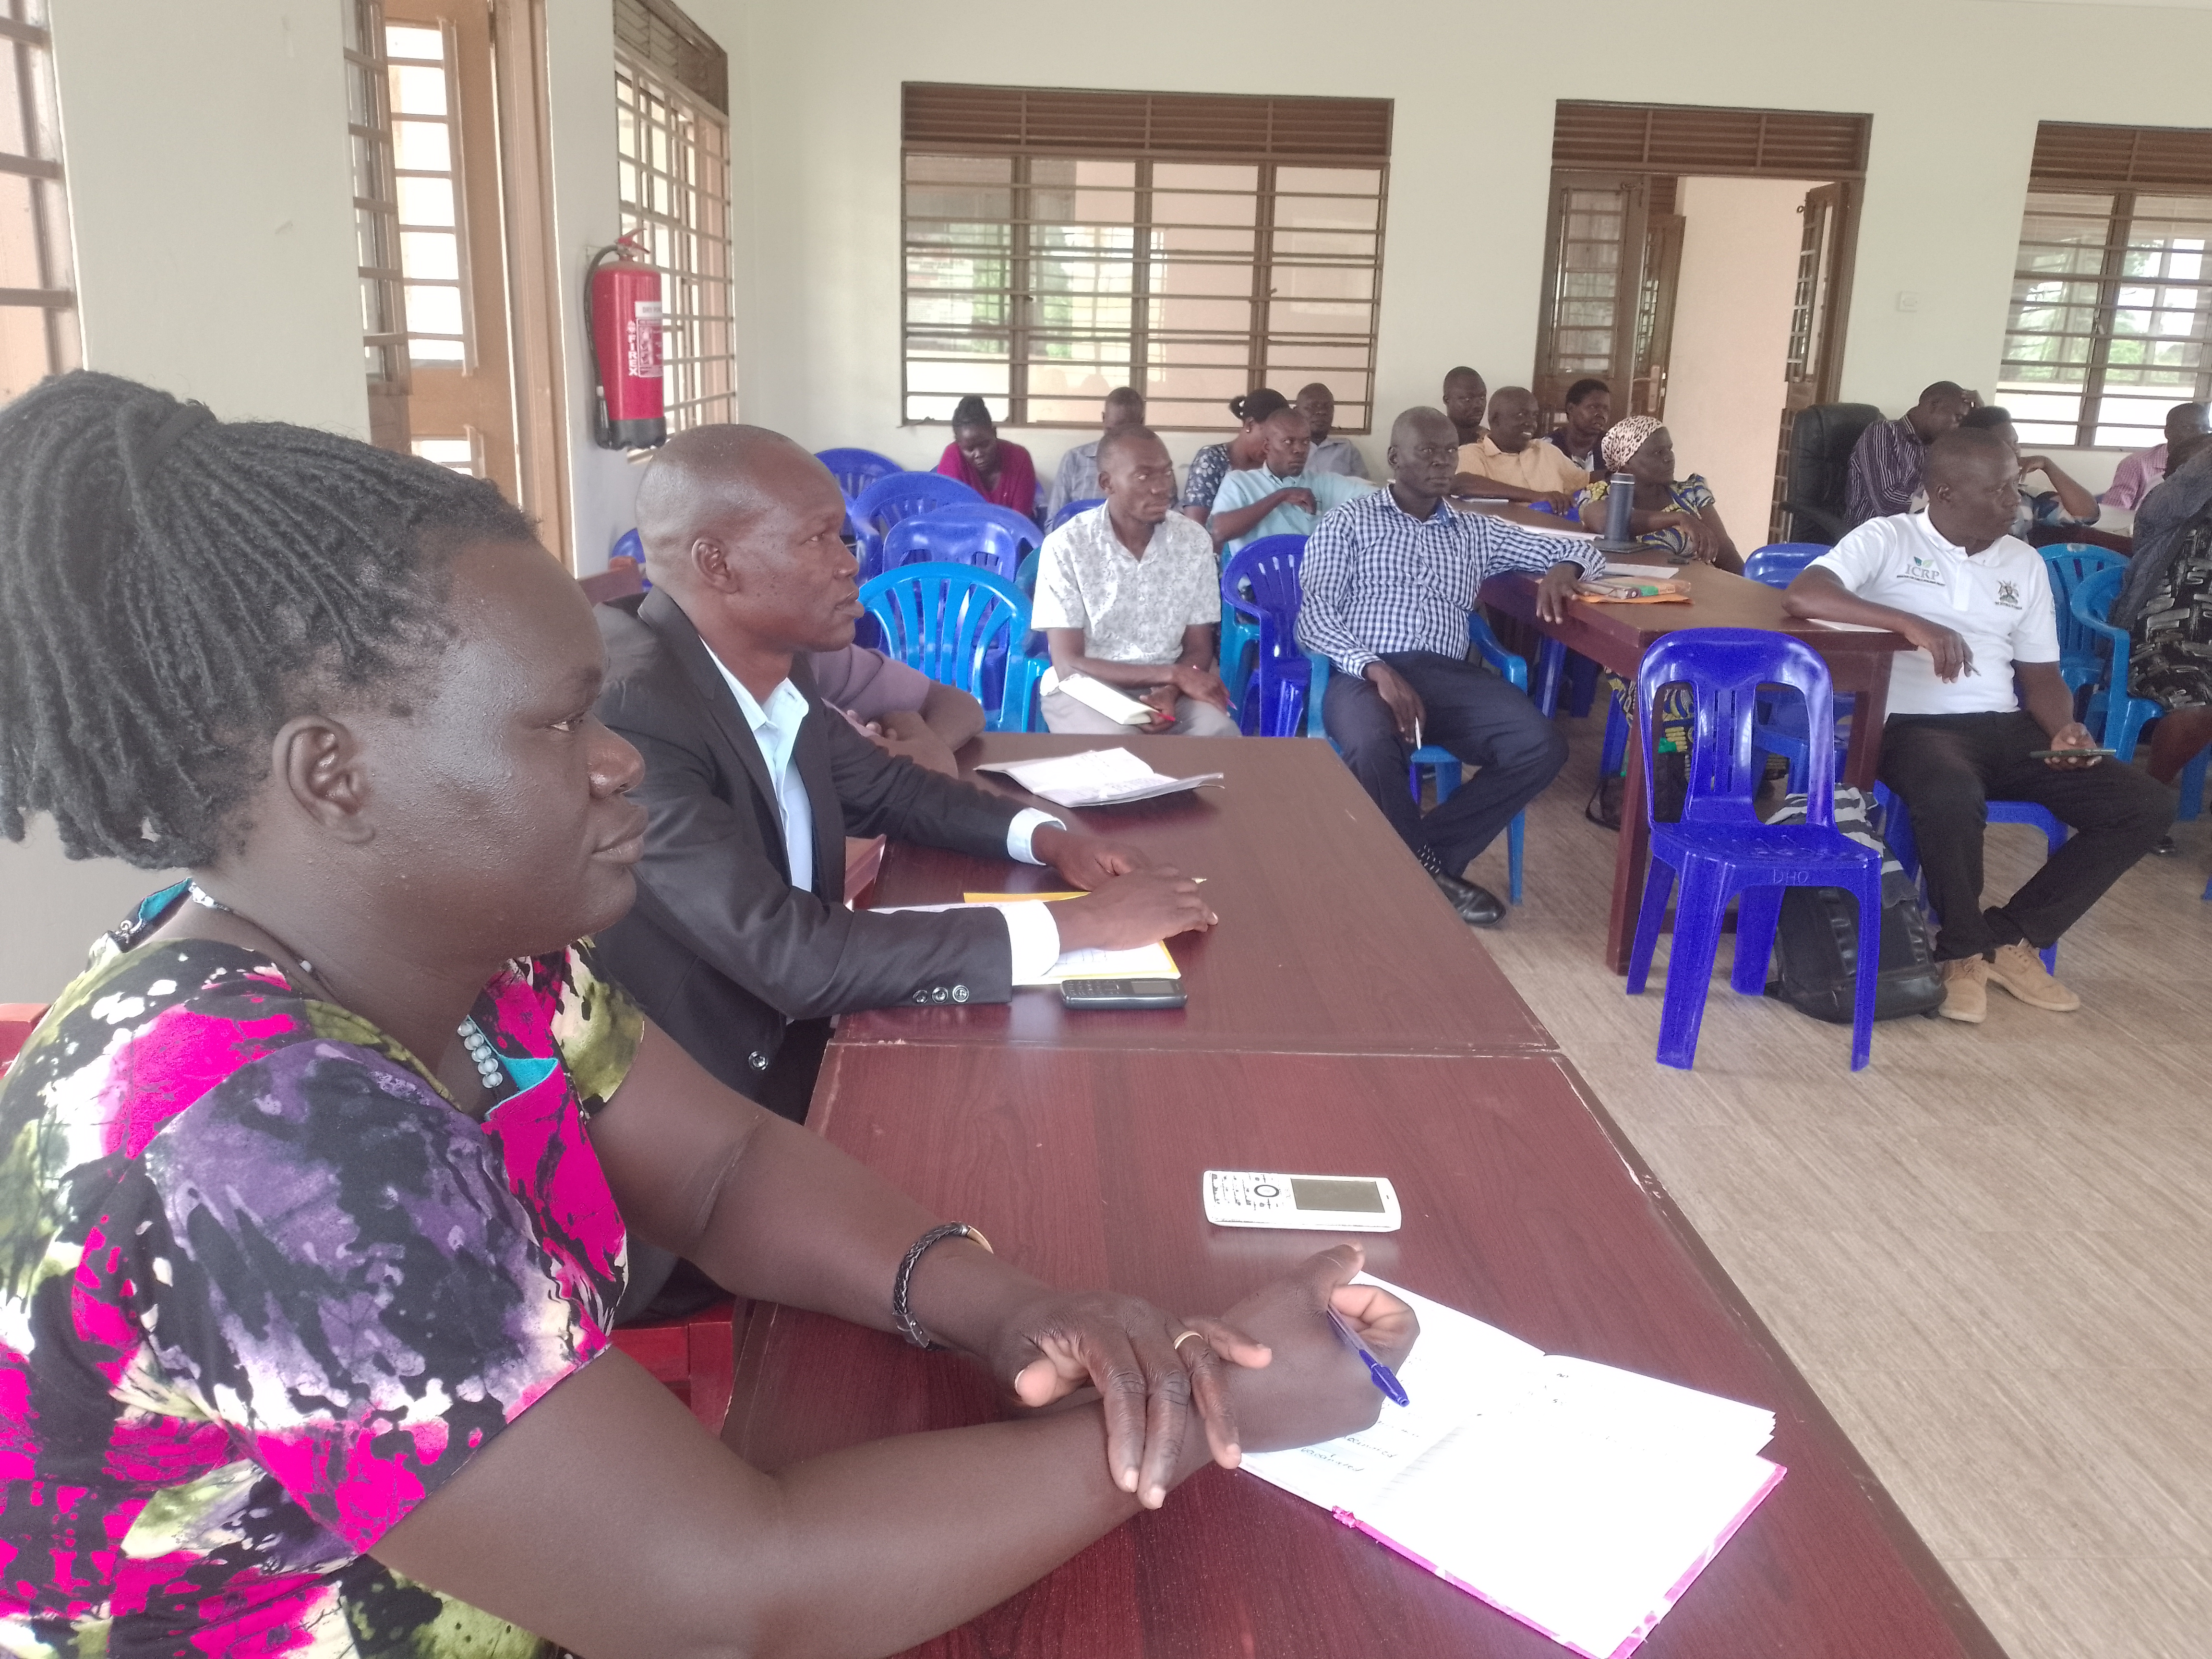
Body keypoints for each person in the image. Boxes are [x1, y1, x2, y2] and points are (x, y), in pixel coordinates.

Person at [0, 371, 1416, 1659]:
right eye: (559, 724)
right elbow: (733, 1591)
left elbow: (727, 1167)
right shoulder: (260, 1135)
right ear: (337, 775)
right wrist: (1204, 1409)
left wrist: (1012, 1306)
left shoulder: (471, 959)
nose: (620, 760)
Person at [595, 423, 1214, 1131]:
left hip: (804, 1031)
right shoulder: (637, 721)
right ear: (719, 564)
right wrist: (1087, 923)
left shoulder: (770, 662)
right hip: (709, 1097)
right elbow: (791, 956)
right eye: (819, 539)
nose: (849, 563)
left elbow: (893, 788)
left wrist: (1052, 841)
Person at [1782, 427, 2175, 1022]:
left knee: (2142, 805)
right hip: (1913, 727)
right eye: (1996, 490)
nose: (2012, 503)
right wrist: (1911, 625)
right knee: (1950, 790)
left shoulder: (2024, 561)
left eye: (2014, 487)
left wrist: (2065, 729)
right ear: (1943, 492)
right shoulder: (1889, 537)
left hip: (2006, 724)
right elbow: (1805, 594)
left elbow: (2041, 675)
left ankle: (2010, 937)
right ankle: (1960, 950)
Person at [1298, 406, 1599, 926]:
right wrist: (1376, 670)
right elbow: (1315, 615)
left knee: (1541, 745)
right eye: (1427, 452)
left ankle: (1420, 861)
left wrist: (1564, 568)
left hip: (1445, 674)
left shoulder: (1474, 531)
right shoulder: (1347, 522)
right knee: (1371, 742)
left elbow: (1587, 549)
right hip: (1362, 672)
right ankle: (1428, 874)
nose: (1441, 463)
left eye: (1447, 453)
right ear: (1395, 459)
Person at [1035, 426, 1238, 736]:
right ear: (1107, 483)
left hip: (1171, 690)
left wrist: (1170, 691)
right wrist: (1175, 674)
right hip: (1088, 689)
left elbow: (1199, 647)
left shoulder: (1193, 541)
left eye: (1166, 473)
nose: (1162, 488)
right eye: (1144, 477)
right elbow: (1068, 663)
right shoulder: (1067, 546)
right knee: (1122, 747)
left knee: (1220, 736)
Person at [2111, 431, 2212, 805]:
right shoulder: (2163, 511)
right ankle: (2148, 800)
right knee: (2195, 707)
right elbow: (2188, 487)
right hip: (2161, 643)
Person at [1573, 415, 1742, 570]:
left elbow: (1725, 552)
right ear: (1626, 463)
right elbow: (1608, 523)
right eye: (1658, 453)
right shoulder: (1599, 493)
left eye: (1670, 449)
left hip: (1697, 591)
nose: (1669, 458)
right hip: (1631, 592)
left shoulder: (1691, 493)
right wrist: (1679, 518)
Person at [1207, 404, 1376, 555]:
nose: (1299, 450)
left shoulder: (1323, 483)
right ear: (1268, 447)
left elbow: (1375, 497)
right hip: (1257, 586)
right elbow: (1219, 531)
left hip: (1310, 585)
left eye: (1305, 442)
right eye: (1288, 442)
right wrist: (1281, 496)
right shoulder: (1240, 482)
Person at [809, 640, 984, 777]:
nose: (854, 593)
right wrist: (920, 757)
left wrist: (920, 748)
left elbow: (961, 705)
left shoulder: (813, 654)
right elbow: (936, 765)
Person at [1953, 404, 2100, 535]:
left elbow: (2087, 515)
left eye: (2016, 442)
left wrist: (2047, 465)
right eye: (2005, 444)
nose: (2015, 450)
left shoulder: (2026, 497)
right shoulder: (1960, 496)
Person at [1844, 381, 1970, 528]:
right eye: (1958, 418)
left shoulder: (1938, 447)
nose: (1958, 428)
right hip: (1876, 534)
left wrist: (1981, 418)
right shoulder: (1884, 433)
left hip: (1919, 532)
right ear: (1934, 405)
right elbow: (1887, 504)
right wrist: (1946, 507)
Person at [1451, 385, 1589, 509]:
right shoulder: (1472, 454)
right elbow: (1462, 483)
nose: (1531, 423)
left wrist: (1610, 475)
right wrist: (1536, 496)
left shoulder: (1546, 450)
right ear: (1495, 419)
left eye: (1534, 416)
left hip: (1557, 534)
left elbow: (1584, 480)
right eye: (1521, 415)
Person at [1179, 387, 1288, 523]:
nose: (1271, 446)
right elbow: (1195, 526)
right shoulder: (1212, 460)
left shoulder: (1276, 464)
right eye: (1269, 436)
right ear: (1250, 425)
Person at [1044, 385, 1151, 522]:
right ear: (1104, 419)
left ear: (1141, 424)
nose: (1116, 439)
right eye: (1111, 430)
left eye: (1125, 432)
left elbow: (1168, 524)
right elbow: (1053, 523)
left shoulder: (1155, 466)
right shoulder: (1074, 460)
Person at [936, 393, 1040, 521]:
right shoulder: (953, 457)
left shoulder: (1019, 459)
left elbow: (1020, 521)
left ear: (994, 433)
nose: (978, 454)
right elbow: (948, 518)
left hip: (1012, 536)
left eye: (985, 444)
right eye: (970, 449)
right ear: (958, 443)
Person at [2101, 399, 2211, 511]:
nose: (2200, 434)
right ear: (2167, 432)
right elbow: (2112, 514)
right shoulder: (2136, 464)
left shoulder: (2208, 465)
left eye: (2206, 429)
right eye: (2188, 428)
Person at [1296, 381, 1370, 478]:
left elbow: (1364, 488)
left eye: (1328, 407)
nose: (1322, 412)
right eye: (1312, 407)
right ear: (1296, 412)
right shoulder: (1288, 449)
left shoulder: (1347, 449)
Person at [1549, 377, 1612, 473]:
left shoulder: (1614, 450)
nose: (1601, 415)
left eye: (1605, 409)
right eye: (1593, 407)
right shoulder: (1547, 447)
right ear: (1571, 409)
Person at [1442, 365, 1488, 448]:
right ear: (1447, 400)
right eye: (1468, 399)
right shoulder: (1433, 442)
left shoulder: (1491, 442)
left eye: (1482, 397)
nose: (1478, 405)